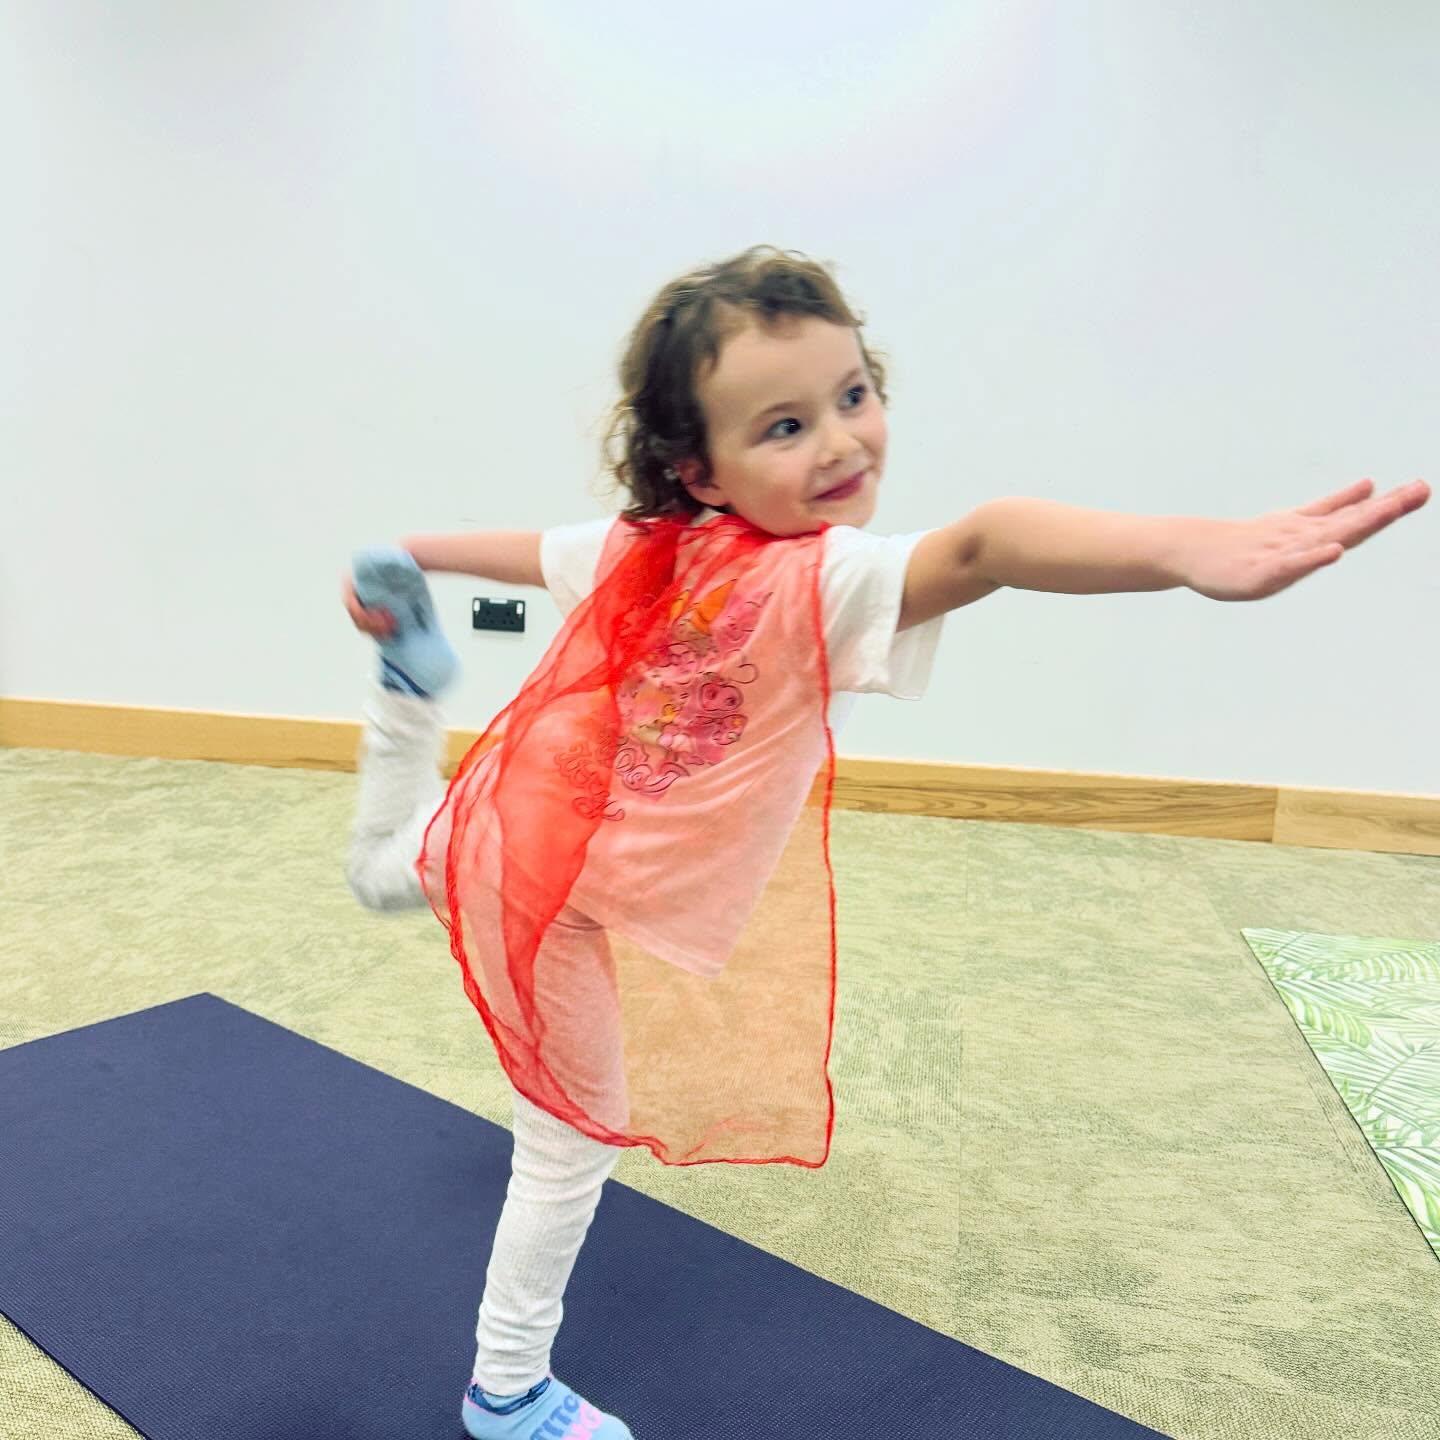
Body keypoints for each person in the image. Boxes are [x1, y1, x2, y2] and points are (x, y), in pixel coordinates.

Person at [341, 245, 1429, 1439]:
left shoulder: (710, 554)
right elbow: (987, 545)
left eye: (854, 396)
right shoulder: (811, 576)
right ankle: (505, 1390)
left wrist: (413, 560)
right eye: (787, 426)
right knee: (568, 1139)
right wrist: (1181, 551)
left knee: (392, 874)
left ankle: (407, 686)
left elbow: (545, 547)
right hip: (556, 891)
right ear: (697, 467)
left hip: (517, 821)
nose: (843, 443)